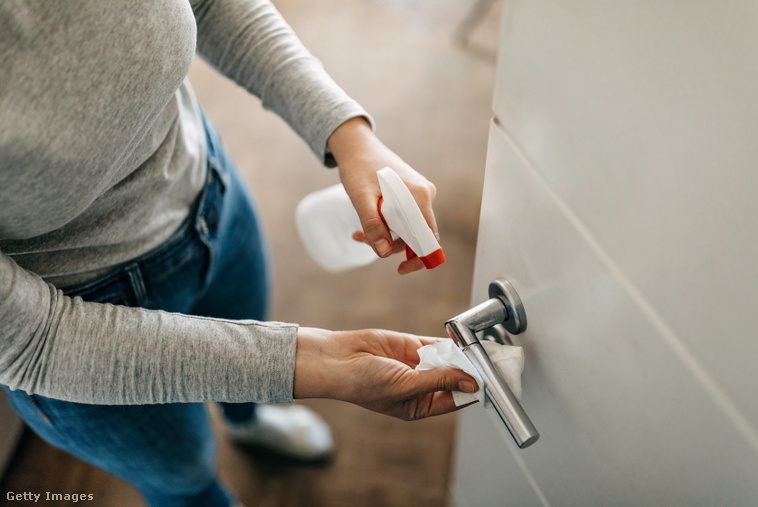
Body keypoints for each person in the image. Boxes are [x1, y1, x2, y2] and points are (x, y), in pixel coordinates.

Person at [0, 1, 478, 506]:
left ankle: (247, 418)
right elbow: (38, 341)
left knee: (248, 342)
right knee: (184, 475)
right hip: (75, 322)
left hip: (212, 193)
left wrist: (350, 135)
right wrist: (321, 365)